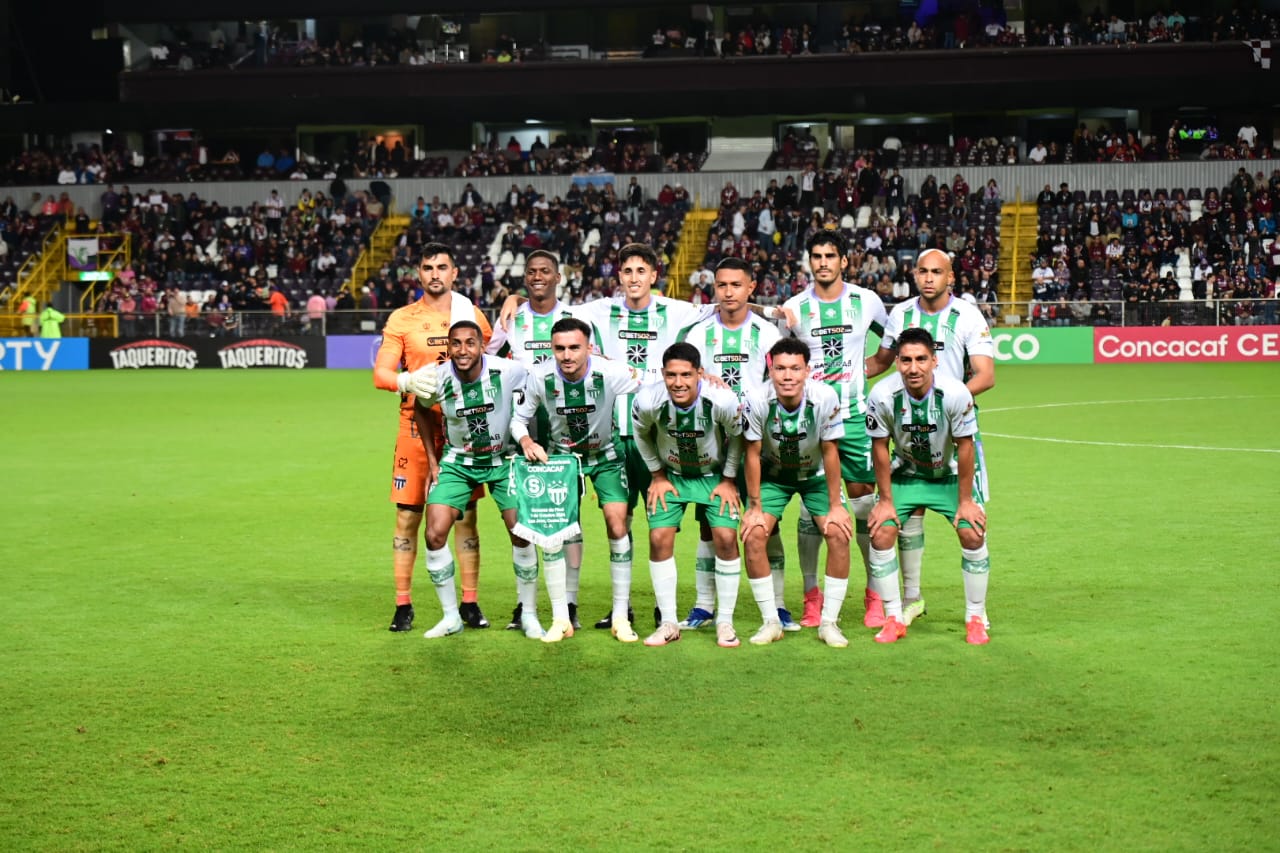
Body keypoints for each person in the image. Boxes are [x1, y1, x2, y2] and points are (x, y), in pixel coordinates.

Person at [507, 243, 711, 630]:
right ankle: (615, 608)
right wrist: (515, 297)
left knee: (651, 521)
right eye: (627, 272)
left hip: (650, 432)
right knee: (607, 520)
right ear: (619, 277)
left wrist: (767, 312)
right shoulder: (595, 311)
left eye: (641, 271)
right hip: (613, 431)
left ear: (654, 274)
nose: (633, 279)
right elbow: (545, 297)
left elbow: (722, 305)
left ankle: (658, 607)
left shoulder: (677, 310)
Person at [866, 248, 995, 627]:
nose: (928, 278)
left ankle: (976, 611)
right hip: (908, 432)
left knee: (968, 524)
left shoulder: (968, 315)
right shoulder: (901, 314)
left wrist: (944, 407)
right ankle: (910, 599)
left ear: (950, 277)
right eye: (922, 271)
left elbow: (986, 375)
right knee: (906, 516)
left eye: (936, 272)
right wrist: (842, 375)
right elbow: (884, 362)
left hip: (953, 431)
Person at [372, 243, 493, 634]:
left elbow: (493, 359)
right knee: (408, 517)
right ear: (419, 274)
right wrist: (405, 380)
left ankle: (470, 602)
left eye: (443, 267)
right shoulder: (403, 319)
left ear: (455, 273)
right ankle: (403, 604)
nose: (435, 273)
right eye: (428, 267)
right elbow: (381, 375)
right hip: (414, 426)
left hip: (462, 428)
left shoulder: (469, 314)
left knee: (465, 517)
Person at [777, 230, 888, 631]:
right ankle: (812, 595)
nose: (823, 262)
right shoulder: (793, 308)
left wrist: (862, 373)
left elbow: (889, 345)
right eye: (816, 256)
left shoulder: (867, 301)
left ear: (844, 261)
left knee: (862, 503)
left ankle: (874, 593)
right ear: (810, 261)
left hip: (856, 417)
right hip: (810, 421)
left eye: (830, 255)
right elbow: (779, 364)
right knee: (812, 506)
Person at [407, 321, 544, 639]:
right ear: (449, 348)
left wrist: (531, 439)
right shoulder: (437, 378)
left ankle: (529, 615)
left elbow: (539, 387)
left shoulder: (508, 371)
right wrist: (431, 459)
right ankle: (451, 617)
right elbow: (421, 409)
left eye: (471, 343)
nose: (463, 350)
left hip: (504, 460)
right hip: (458, 462)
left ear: (482, 346)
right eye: (456, 344)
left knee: (522, 534)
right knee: (434, 533)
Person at [512, 317, 643, 642]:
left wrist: (704, 377)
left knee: (617, 525)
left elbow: (658, 381)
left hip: (606, 458)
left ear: (589, 348)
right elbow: (519, 419)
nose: (567, 355)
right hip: (561, 461)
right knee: (555, 534)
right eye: (559, 348)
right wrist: (527, 441)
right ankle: (561, 619)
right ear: (551, 349)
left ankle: (620, 616)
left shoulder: (610, 372)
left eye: (574, 348)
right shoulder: (540, 377)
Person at [673, 257, 782, 632]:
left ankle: (778, 605)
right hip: (711, 441)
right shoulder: (698, 335)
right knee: (709, 521)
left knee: (767, 522)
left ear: (751, 288)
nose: (729, 292)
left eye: (736, 284)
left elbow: (779, 381)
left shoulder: (768, 334)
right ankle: (705, 605)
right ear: (714, 288)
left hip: (757, 440)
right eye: (722, 285)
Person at [489, 250, 588, 630]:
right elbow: (486, 358)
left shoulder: (574, 320)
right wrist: (509, 302)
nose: (538, 277)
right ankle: (523, 604)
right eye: (531, 272)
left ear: (558, 276)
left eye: (546, 271)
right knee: (522, 515)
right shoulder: (511, 318)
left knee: (568, 516)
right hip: (520, 425)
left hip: (565, 424)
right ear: (524, 277)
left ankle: (571, 603)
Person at [740, 337, 855, 647]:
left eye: (794, 369)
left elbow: (831, 451)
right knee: (753, 534)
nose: (787, 376)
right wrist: (754, 506)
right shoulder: (756, 399)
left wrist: (836, 505)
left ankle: (828, 623)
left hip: (815, 475)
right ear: (770, 368)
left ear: (808, 370)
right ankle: (771, 622)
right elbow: (752, 452)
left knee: (839, 532)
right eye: (780, 368)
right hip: (774, 476)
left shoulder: (825, 397)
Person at [632, 342, 745, 648]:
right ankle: (669, 623)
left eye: (685, 375)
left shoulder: (721, 400)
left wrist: (728, 480)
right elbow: (640, 434)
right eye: (671, 375)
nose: (678, 383)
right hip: (672, 477)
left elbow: (737, 438)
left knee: (724, 537)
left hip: (714, 477)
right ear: (662, 374)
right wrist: (656, 475)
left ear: (699, 373)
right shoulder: (647, 401)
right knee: (658, 538)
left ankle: (725, 621)